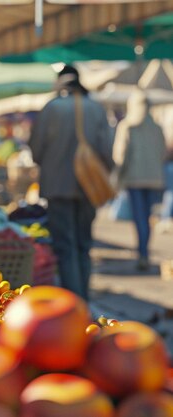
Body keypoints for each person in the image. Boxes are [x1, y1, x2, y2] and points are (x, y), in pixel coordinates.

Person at [29, 64, 114, 301]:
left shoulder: (50, 108)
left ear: (60, 83)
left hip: (57, 187)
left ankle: (74, 302)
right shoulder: (96, 109)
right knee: (84, 245)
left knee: (65, 247)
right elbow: (108, 152)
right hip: (89, 186)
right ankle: (84, 298)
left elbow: (36, 151)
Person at [113, 89, 166, 270]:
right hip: (153, 179)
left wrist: (118, 177)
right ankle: (144, 251)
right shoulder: (157, 127)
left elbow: (120, 156)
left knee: (140, 218)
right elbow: (162, 153)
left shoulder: (127, 126)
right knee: (147, 216)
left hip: (135, 179)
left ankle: (142, 253)